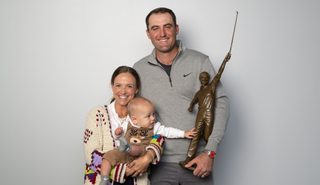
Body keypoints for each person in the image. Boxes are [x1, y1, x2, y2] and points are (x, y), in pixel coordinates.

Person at [133, 7, 230, 185]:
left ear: (176, 29)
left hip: (197, 163)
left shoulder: (200, 61)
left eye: (167, 26)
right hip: (156, 163)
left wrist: (210, 152)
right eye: (155, 28)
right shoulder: (139, 69)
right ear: (148, 33)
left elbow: (221, 104)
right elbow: (130, 114)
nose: (162, 33)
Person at [84, 66, 166, 185]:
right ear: (112, 87)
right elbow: (91, 155)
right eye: (118, 85)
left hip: (138, 180)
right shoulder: (97, 114)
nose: (123, 91)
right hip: (101, 180)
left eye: (129, 86)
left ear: (136, 89)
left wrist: (148, 157)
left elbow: (159, 137)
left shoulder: (143, 115)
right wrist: (123, 171)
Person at [99, 97, 196, 185]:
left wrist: (184, 133)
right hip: (124, 153)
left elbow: (168, 131)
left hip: (140, 154)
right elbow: (117, 138)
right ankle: (104, 179)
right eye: (148, 116)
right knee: (108, 156)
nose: (153, 118)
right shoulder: (127, 125)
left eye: (153, 114)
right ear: (134, 120)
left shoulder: (155, 127)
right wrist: (118, 133)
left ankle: (128, 147)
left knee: (139, 148)